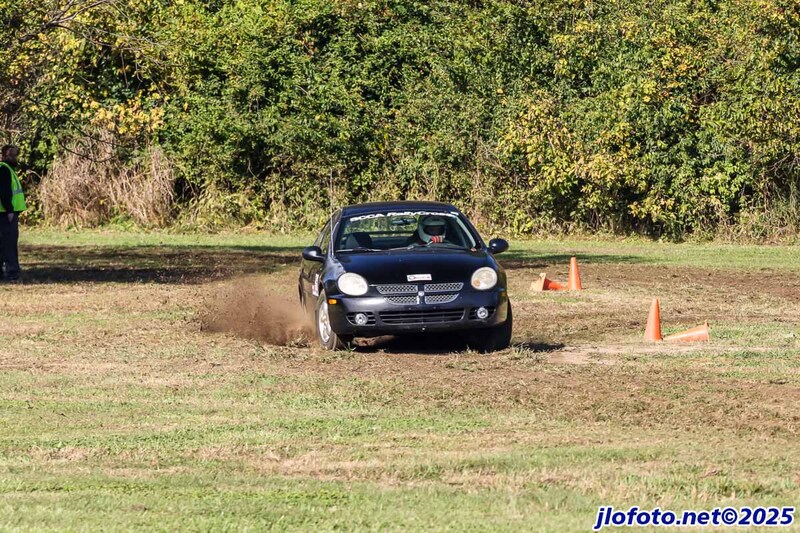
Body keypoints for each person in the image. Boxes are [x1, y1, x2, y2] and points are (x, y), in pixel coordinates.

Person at [0, 144, 26, 282]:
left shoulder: (6, 169)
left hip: (4, 213)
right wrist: (9, 210)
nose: (16, 158)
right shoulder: (4, 169)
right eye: (13, 155)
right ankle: (12, 274)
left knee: (2, 245)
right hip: (6, 214)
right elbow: (4, 192)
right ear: (5, 156)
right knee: (9, 245)